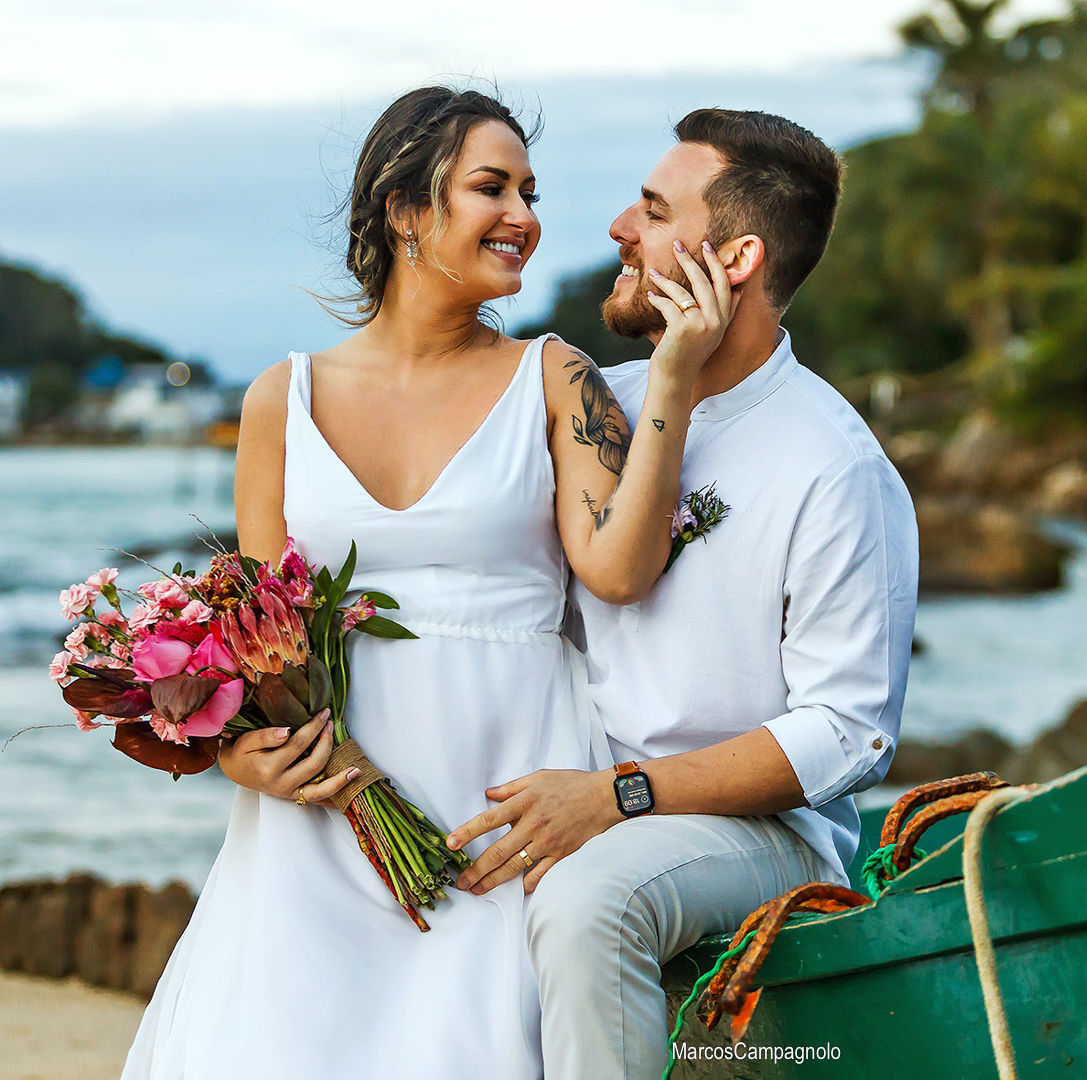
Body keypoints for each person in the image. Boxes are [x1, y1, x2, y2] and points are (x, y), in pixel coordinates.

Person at [120, 87, 735, 1079]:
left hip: (502, 804)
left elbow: (619, 572)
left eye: (531, 191)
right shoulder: (283, 398)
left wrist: (669, 381)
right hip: (322, 818)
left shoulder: (555, 375)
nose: (524, 216)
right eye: (490, 188)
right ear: (404, 209)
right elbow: (253, 636)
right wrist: (242, 761)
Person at [444, 109, 919, 1079]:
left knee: (591, 896)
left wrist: (621, 798)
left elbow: (848, 729)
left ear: (734, 258)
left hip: (755, 835)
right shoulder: (592, 404)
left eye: (655, 210)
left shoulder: (834, 467)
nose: (619, 224)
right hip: (561, 783)